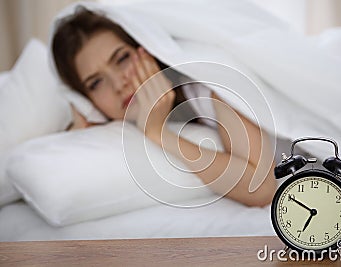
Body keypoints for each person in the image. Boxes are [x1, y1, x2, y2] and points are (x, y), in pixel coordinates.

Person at [52, 7, 276, 207]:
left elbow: (262, 189)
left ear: (147, 49)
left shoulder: (211, 85)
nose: (118, 84)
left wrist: (156, 132)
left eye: (121, 59)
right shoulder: (109, 123)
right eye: (96, 83)